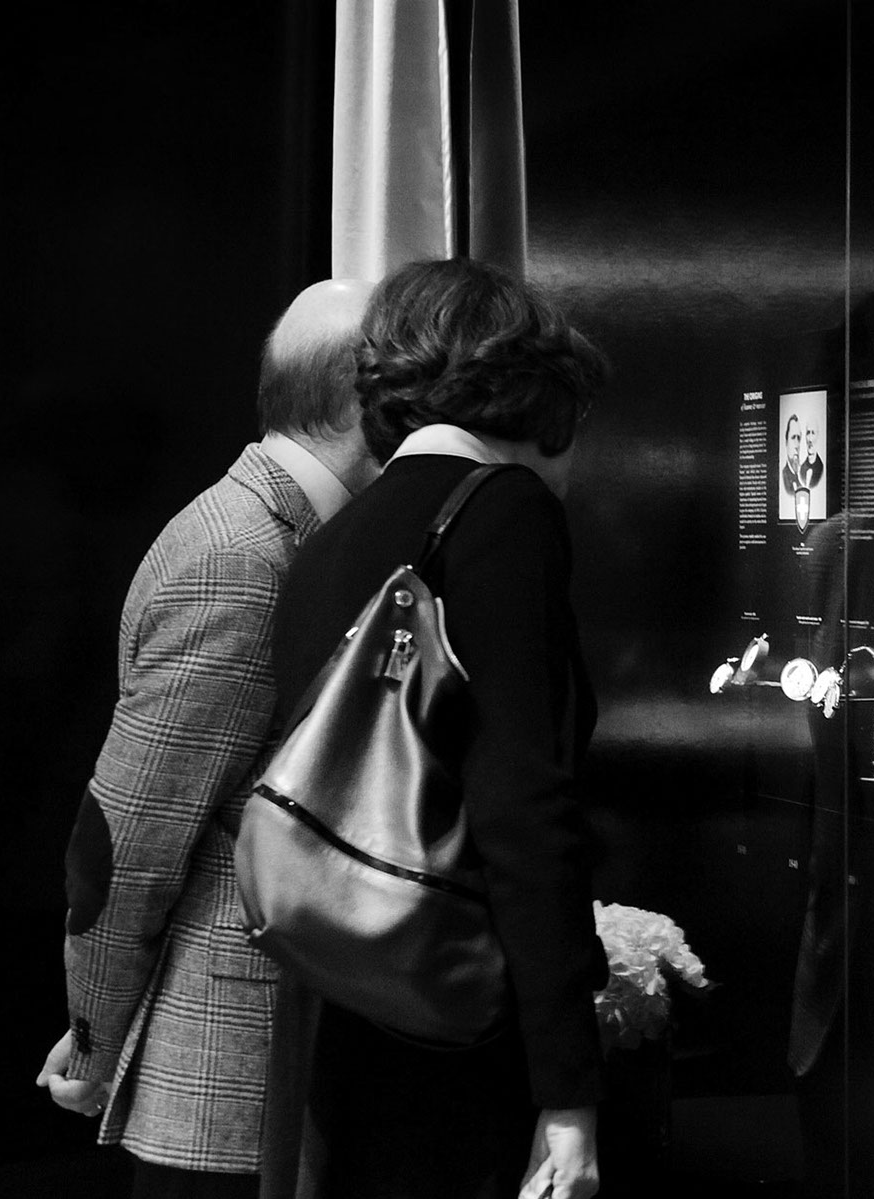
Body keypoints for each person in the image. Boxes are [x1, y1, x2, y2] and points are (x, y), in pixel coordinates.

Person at [258, 257, 611, 1199]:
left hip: (347, 999)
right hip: (464, 1015)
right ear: (534, 388)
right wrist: (568, 1090)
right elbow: (523, 808)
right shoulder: (505, 514)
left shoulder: (333, 536)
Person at [39, 279, 379, 1199]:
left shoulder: (281, 535)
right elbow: (126, 836)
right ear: (363, 402)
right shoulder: (243, 556)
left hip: (264, 1066)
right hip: (222, 1081)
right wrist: (92, 1034)